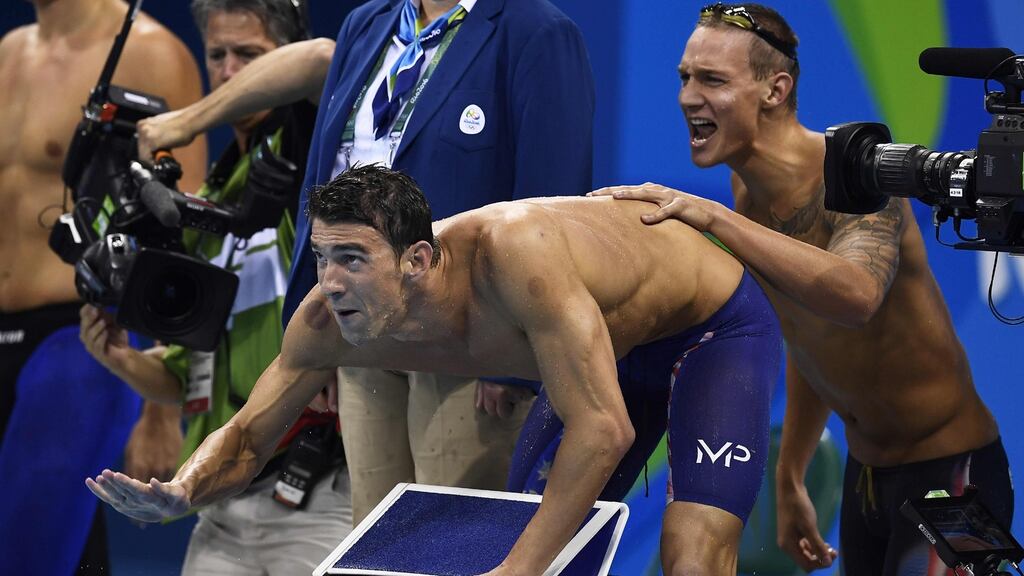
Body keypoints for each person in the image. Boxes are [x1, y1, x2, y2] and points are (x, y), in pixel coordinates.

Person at [87, 164, 782, 576]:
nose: (329, 282)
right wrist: (185, 490)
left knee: (686, 556)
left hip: (709, 327)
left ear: (417, 261)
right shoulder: (328, 318)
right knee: (543, 545)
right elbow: (245, 436)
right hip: (605, 351)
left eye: (352, 259)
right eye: (323, 256)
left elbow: (602, 429)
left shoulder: (514, 258)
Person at [136, 0, 596, 524]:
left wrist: (518, 354)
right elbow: (325, 176)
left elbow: (550, 206)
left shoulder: (536, 32)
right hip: (363, 334)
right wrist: (318, 329)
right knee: (372, 539)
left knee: (449, 545)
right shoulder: (368, 24)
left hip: (472, 342)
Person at [595, 4, 1011, 575]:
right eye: (684, 77)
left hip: (952, 476)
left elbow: (856, 296)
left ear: (775, 90)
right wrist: (790, 476)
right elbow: (809, 335)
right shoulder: (749, 188)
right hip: (866, 476)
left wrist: (715, 219)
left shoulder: (862, 177)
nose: (688, 97)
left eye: (712, 79)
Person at [79, 1, 352, 574]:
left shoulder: (316, 152)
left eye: (248, 55)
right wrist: (121, 359)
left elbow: (323, 61)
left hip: (320, 494)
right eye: (218, 55)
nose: (230, 70)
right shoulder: (218, 193)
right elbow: (186, 379)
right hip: (220, 507)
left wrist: (188, 121)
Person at [0, 0, 206, 573]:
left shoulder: (151, 52)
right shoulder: (8, 52)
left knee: (29, 556)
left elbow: (180, 233)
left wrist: (161, 411)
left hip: (83, 337)